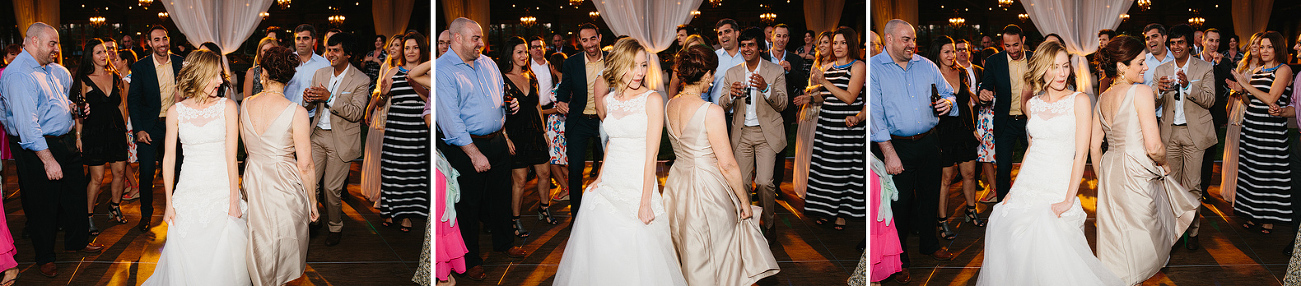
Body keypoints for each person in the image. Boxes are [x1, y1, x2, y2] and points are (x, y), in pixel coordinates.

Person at [976, 40, 1123, 286]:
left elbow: (1080, 153)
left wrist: (1068, 198)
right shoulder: (1033, 104)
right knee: (1004, 225)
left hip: (1059, 183)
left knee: (1054, 251)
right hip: (1030, 182)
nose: (1062, 73)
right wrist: (1014, 190)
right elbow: (1031, 149)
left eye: (1065, 66)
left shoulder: (1079, 100)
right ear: (1043, 69)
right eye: (1055, 67)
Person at [552, 36, 687, 286]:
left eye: (643, 65)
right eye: (632, 65)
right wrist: (600, 178)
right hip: (611, 179)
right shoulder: (609, 100)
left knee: (638, 245)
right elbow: (612, 140)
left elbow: (652, 155)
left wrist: (645, 202)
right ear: (617, 65)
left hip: (638, 183)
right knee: (604, 244)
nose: (639, 72)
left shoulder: (653, 100)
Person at [666, 42, 781, 286]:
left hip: (677, 184)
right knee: (717, 249)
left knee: (688, 247)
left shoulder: (669, 106)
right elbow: (727, 164)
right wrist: (743, 200)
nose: (713, 79)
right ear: (706, 74)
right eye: (712, 74)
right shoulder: (711, 110)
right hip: (706, 188)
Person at [1091, 35, 1201, 285]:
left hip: (1110, 169)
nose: (1145, 67)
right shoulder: (1140, 92)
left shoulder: (1103, 97)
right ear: (1122, 66)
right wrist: (1163, 163)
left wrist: (1103, 179)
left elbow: (1094, 146)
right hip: (1136, 167)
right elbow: (1153, 146)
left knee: (1119, 238)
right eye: (1140, 63)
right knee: (1145, 234)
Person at [0, 22, 104, 279]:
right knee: (42, 204)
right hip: (36, 146)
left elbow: (57, 101)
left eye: (56, 43)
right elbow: (27, 125)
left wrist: (74, 108)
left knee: (75, 194)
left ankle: (77, 241)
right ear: (33, 41)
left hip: (64, 139)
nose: (57, 48)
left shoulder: (55, 71)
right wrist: (47, 159)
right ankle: (44, 256)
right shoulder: (19, 74)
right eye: (52, 43)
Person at [141, 49, 248, 285]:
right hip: (188, 189)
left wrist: (233, 199)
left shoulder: (227, 107)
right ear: (200, 75)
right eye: (216, 75)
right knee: (188, 252)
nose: (221, 81)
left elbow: (232, 158)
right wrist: (168, 203)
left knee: (221, 256)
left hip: (220, 189)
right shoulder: (175, 111)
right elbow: (168, 160)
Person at [435, 18, 525, 281]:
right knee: (469, 205)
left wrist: (510, 109)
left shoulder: (487, 62)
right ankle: (471, 259)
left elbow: (500, 98)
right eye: (475, 38)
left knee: (500, 196)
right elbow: (450, 120)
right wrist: (474, 153)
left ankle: (504, 242)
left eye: (481, 37)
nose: (481, 43)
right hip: (466, 147)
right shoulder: (443, 70)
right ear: (457, 38)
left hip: (497, 140)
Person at [870, 21, 952, 284]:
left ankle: (929, 244)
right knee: (900, 204)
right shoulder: (874, 68)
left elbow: (949, 92)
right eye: (905, 39)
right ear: (889, 39)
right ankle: (900, 259)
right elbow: (875, 115)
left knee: (929, 197)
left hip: (929, 142)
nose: (912, 44)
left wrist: (948, 102)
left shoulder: (926, 65)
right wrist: (889, 153)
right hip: (897, 145)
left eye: (913, 39)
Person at [239, 45, 317, 286]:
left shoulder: (245, 104)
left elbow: (246, 148)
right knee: (286, 241)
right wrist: (312, 201)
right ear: (289, 77)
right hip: (284, 182)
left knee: (259, 240)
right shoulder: (297, 112)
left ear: (262, 73)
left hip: (253, 179)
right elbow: (304, 165)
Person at [301, 32, 370, 246]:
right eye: (329, 50)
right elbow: (311, 107)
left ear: (348, 54)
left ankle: (335, 226)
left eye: (336, 50)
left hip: (340, 139)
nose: (331, 54)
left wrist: (329, 98)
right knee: (309, 184)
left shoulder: (361, 79)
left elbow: (357, 113)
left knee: (332, 188)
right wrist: (308, 101)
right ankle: (315, 219)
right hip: (317, 134)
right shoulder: (320, 73)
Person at [1152, 24, 1217, 250]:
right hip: (1169, 133)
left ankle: (1194, 230)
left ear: (1189, 44)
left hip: (1194, 134)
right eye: (1173, 42)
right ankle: (1172, 231)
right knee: (1169, 185)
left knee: (1192, 186)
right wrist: (1158, 92)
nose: (1176, 46)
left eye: (1180, 42)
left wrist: (1188, 86)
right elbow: (1152, 103)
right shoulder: (1162, 69)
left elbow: (1210, 100)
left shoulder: (1204, 68)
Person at [720, 27, 788, 238]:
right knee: (741, 184)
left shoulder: (774, 71)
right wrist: (731, 95)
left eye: (751, 45)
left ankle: (769, 223)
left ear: (760, 47)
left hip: (766, 134)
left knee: (765, 182)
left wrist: (767, 89)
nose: (746, 49)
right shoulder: (732, 73)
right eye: (744, 45)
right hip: (741, 134)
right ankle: (748, 225)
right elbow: (721, 104)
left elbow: (783, 104)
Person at [1229, 31, 1294, 235]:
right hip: (1252, 127)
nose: (1264, 50)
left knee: (1269, 173)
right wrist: (1241, 92)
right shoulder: (1257, 71)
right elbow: (1252, 102)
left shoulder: (1284, 70)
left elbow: (1271, 98)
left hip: (1270, 130)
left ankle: (1269, 219)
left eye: (1268, 47)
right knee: (1252, 172)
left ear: (1277, 48)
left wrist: (1246, 84)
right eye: (1261, 46)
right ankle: (1253, 214)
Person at [925, 36, 985, 241]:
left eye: (953, 51)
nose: (952, 56)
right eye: (947, 52)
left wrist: (974, 128)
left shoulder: (960, 72)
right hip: (943, 132)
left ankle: (971, 209)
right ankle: (942, 220)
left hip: (964, 129)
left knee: (969, 174)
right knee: (946, 179)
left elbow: (967, 102)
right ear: (937, 54)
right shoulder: (931, 75)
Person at [127, 24, 186, 232]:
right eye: (157, 40)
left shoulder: (180, 63)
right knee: (146, 172)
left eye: (164, 38)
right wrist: (139, 129)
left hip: (175, 126)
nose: (162, 43)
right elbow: (132, 101)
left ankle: (178, 210)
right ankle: (146, 214)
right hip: (149, 128)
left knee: (178, 169)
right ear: (150, 43)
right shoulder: (140, 67)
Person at [808, 26, 868, 228]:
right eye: (835, 43)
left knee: (843, 170)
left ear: (851, 44)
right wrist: (809, 97)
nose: (838, 46)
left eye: (843, 42)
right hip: (827, 124)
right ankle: (827, 210)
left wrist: (823, 81)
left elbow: (850, 97)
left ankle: (841, 214)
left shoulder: (858, 66)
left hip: (847, 126)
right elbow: (826, 96)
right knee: (827, 169)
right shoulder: (829, 66)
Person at [71, 38, 131, 236]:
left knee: (120, 173)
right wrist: (78, 136)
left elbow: (122, 105)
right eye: (99, 52)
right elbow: (80, 110)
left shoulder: (115, 76)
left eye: (105, 51)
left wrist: (125, 131)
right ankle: (88, 216)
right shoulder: (84, 79)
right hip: (94, 132)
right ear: (91, 56)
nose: (104, 55)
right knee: (96, 178)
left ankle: (114, 206)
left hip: (115, 130)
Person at [499, 36, 556, 239]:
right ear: (511, 55)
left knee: (545, 174)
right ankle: (515, 218)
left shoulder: (531, 76)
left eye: (525, 52)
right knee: (520, 181)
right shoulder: (501, 78)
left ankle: (544, 207)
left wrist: (543, 132)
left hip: (535, 132)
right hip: (515, 135)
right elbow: (498, 111)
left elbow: (537, 106)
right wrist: (505, 137)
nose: (524, 56)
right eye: (520, 52)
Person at [555, 23, 609, 217]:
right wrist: (561, 100)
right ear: (579, 42)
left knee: (610, 167)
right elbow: (565, 87)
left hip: (605, 120)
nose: (590, 44)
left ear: (600, 37)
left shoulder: (612, 61)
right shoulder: (572, 63)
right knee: (576, 170)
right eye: (584, 40)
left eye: (593, 38)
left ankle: (607, 213)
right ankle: (576, 217)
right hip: (579, 121)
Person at [379, 31, 432, 232]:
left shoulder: (426, 74)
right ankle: (392, 210)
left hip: (418, 129)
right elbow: (379, 103)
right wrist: (383, 95)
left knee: (413, 172)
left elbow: (428, 99)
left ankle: (407, 215)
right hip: (396, 129)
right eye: (407, 47)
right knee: (393, 171)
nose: (410, 51)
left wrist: (415, 82)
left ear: (421, 50)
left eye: (415, 47)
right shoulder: (392, 72)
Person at [977, 24, 1032, 202]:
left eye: (1015, 45)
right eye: (1007, 46)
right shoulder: (994, 61)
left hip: (1030, 121)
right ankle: (1001, 208)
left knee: (1033, 165)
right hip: (1005, 122)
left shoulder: (1035, 59)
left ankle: (1031, 204)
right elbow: (986, 88)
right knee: (1003, 168)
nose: (1012, 50)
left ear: (1023, 41)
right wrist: (984, 95)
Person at [362, 35, 406, 206]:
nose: (393, 48)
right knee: (377, 154)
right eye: (391, 45)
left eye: (397, 45)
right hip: (381, 111)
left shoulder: (409, 68)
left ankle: (390, 195)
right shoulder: (386, 65)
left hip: (397, 114)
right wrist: (370, 108)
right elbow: (378, 89)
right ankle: (377, 190)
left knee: (391, 156)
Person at [762, 24, 806, 197]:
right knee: (762, 145)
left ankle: (776, 185)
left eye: (784, 36)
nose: (781, 40)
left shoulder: (795, 59)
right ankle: (762, 185)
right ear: (771, 37)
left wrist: (790, 70)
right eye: (778, 36)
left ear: (788, 39)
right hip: (763, 108)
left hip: (785, 110)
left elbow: (802, 82)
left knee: (780, 147)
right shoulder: (762, 57)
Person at [792, 31, 833, 203]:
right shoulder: (817, 61)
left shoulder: (836, 65)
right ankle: (806, 186)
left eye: (826, 42)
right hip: (808, 109)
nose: (822, 46)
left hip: (822, 111)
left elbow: (830, 92)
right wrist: (802, 106)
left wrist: (810, 98)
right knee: (804, 148)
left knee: (816, 151)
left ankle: (818, 190)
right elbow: (809, 86)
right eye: (820, 43)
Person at [285, 24, 330, 108]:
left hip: (311, 115)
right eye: (298, 38)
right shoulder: (286, 61)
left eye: (305, 38)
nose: (301, 42)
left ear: (313, 41)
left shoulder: (324, 64)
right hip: (287, 112)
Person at [709, 19, 746, 104]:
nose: (723, 36)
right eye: (720, 33)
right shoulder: (713, 57)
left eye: (727, 32)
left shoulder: (746, 56)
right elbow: (704, 89)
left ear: (737, 33)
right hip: (719, 113)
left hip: (744, 113)